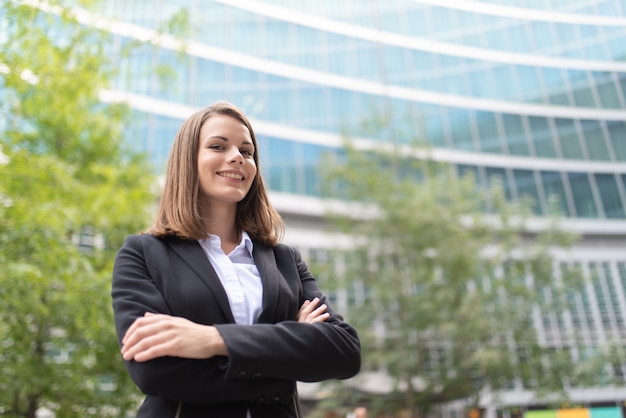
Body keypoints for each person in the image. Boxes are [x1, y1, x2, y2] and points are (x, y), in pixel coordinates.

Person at [111, 101, 361, 418]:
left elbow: (343, 351)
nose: (237, 158)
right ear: (189, 161)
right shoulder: (144, 253)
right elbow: (153, 370)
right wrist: (285, 361)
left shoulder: (284, 260)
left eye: (247, 151)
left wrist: (213, 339)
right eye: (218, 145)